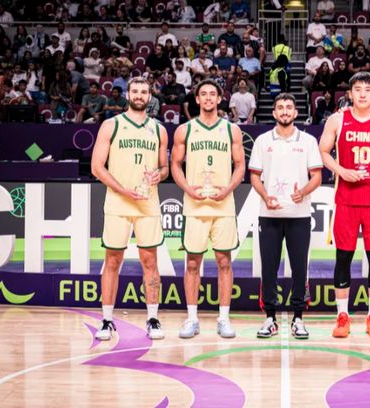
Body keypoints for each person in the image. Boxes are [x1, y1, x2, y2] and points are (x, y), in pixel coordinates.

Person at [319, 72, 370, 338]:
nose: (363, 94)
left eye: (367, 89)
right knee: (343, 257)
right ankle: (342, 316)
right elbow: (323, 151)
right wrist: (341, 170)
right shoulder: (337, 120)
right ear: (350, 93)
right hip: (346, 200)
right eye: (358, 89)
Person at [91, 77, 169, 341]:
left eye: (144, 92)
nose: (139, 95)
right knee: (112, 260)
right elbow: (97, 167)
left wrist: (160, 174)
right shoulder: (111, 125)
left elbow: (164, 167)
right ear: (127, 94)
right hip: (118, 202)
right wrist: (123, 190)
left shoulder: (159, 130)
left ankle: (153, 318)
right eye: (135, 91)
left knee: (150, 261)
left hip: (147, 203)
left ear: (150, 96)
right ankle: (107, 320)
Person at [171, 79, 246, 339]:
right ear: (197, 99)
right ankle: (192, 319)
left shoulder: (231, 130)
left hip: (223, 205)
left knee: (224, 261)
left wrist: (228, 189)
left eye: (212, 94)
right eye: (203, 94)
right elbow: (175, 164)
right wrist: (187, 189)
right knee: (192, 263)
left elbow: (240, 165)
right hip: (195, 205)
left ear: (219, 98)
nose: (208, 98)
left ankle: (223, 318)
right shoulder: (185, 130)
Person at [249, 93, 323, 339]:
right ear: (274, 113)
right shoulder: (262, 141)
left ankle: (298, 318)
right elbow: (254, 176)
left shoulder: (308, 141)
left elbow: (317, 176)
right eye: (280, 107)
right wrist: (265, 196)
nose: (284, 111)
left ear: (295, 112)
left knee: (300, 268)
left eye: (289, 107)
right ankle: (269, 318)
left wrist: (303, 192)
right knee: (268, 268)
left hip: (299, 215)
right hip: (268, 214)